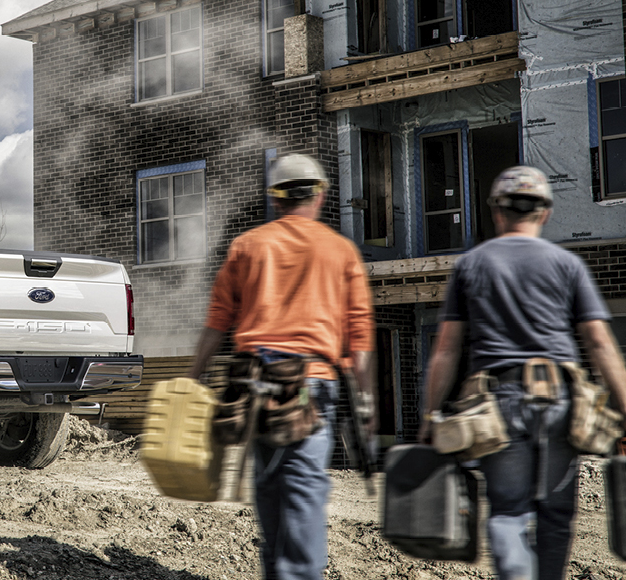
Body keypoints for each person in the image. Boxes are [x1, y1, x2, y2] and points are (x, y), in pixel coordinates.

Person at [420, 166, 626, 580]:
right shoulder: (567, 265)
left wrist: (429, 416)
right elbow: (601, 345)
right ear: (545, 213)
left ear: (497, 211)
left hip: (498, 405)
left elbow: (445, 349)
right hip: (561, 402)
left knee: (508, 512)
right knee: (554, 516)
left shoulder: (471, 264)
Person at [187, 152, 375, 580]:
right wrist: (365, 403)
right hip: (312, 388)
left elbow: (217, 323)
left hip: (254, 388)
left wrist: (192, 379)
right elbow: (359, 336)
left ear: (276, 199)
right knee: (304, 491)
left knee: (269, 489)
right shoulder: (341, 251)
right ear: (320, 196)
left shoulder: (248, 247)